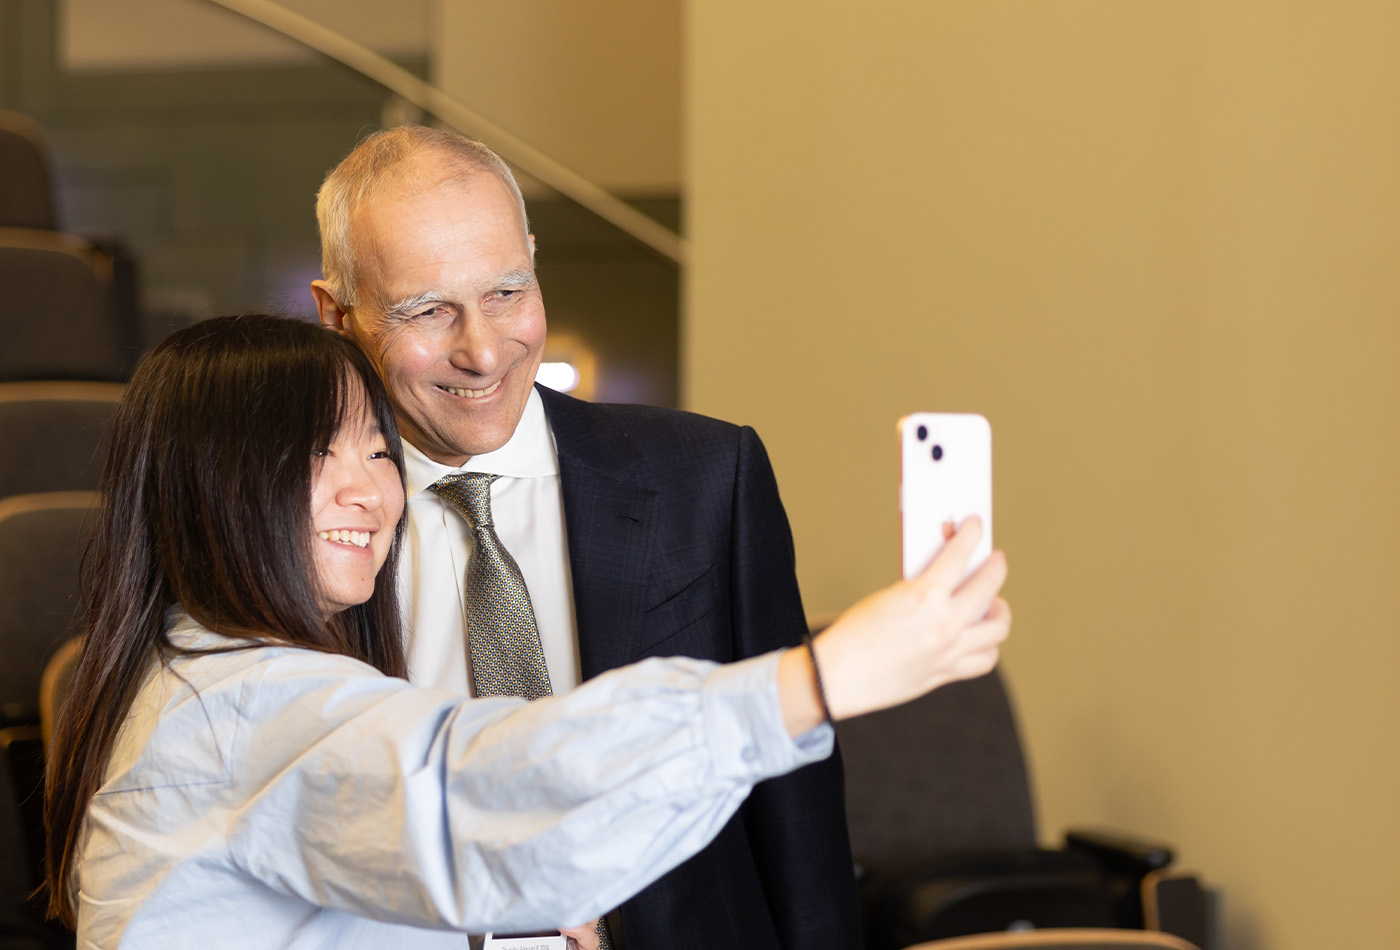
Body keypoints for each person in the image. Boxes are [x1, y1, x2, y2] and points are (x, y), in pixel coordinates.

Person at [43, 314, 1010, 949]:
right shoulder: (237, 710)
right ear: (204, 485)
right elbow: (487, 780)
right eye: (313, 453)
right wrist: (820, 680)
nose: (368, 491)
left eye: (377, 452)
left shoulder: (202, 683)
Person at [310, 124, 865, 949]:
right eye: (428, 310)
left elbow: (796, 813)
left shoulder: (709, 478)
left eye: (508, 292)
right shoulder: (293, 520)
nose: (483, 349)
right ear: (336, 315)